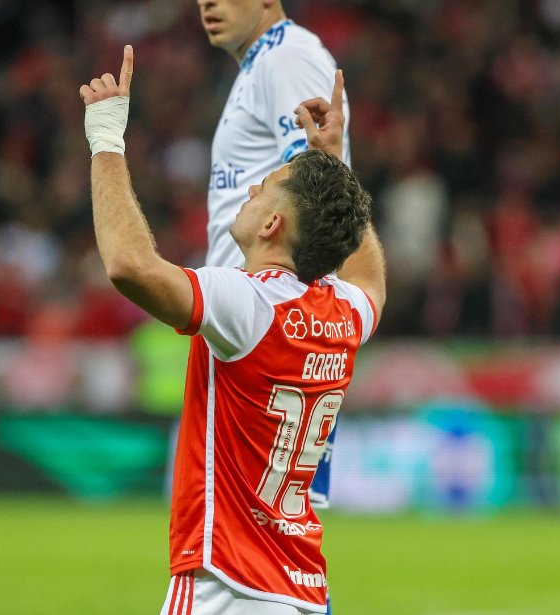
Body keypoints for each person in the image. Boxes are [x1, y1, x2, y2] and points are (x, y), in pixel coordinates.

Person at [80, 47, 384, 614]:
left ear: (272, 224)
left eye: (261, 189)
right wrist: (333, 161)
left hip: (225, 587)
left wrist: (106, 139)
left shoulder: (249, 302)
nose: (248, 193)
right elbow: (370, 280)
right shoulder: (344, 312)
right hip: (302, 593)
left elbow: (129, 266)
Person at [199, 0, 353, 511]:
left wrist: (308, 320)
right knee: (272, 520)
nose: (207, 2)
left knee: (268, 518)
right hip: (254, 315)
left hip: (270, 321)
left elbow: (320, 188)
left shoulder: (287, 58)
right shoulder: (262, 63)